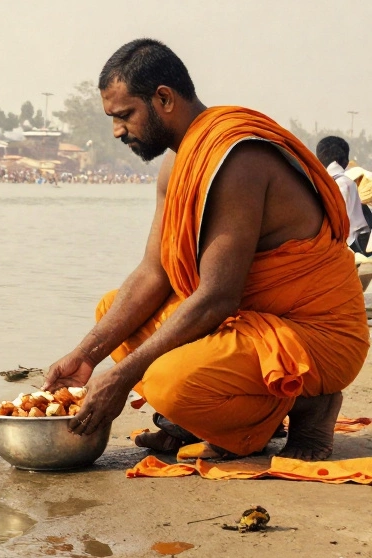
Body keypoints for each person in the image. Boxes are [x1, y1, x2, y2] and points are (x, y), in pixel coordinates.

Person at [43, 39, 368, 461]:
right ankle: (205, 418)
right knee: (112, 313)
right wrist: (85, 357)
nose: (117, 131)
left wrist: (121, 378)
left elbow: (217, 297)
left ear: (164, 99)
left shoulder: (237, 159)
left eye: (124, 116)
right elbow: (153, 273)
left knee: (168, 382)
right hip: (252, 325)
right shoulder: (177, 162)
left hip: (318, 338)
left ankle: (306, 404)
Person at [315, 135, 370, 253]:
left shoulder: (339, 183)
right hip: (353, 239)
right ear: (342, 161)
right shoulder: (342, 182)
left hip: (352, 242)